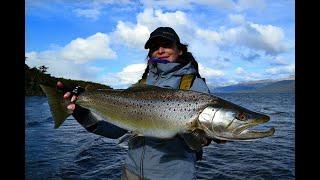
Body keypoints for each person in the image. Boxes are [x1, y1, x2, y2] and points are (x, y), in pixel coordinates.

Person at [58, 27, 225, 180]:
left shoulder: (194, 85)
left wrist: (209, 136)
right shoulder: (141, 85)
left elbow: (202, 136)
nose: (160, 50)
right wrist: (83, 116)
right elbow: (119, 130)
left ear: (180, 50)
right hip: (131, 172)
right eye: (154, 47)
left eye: (166, 45)